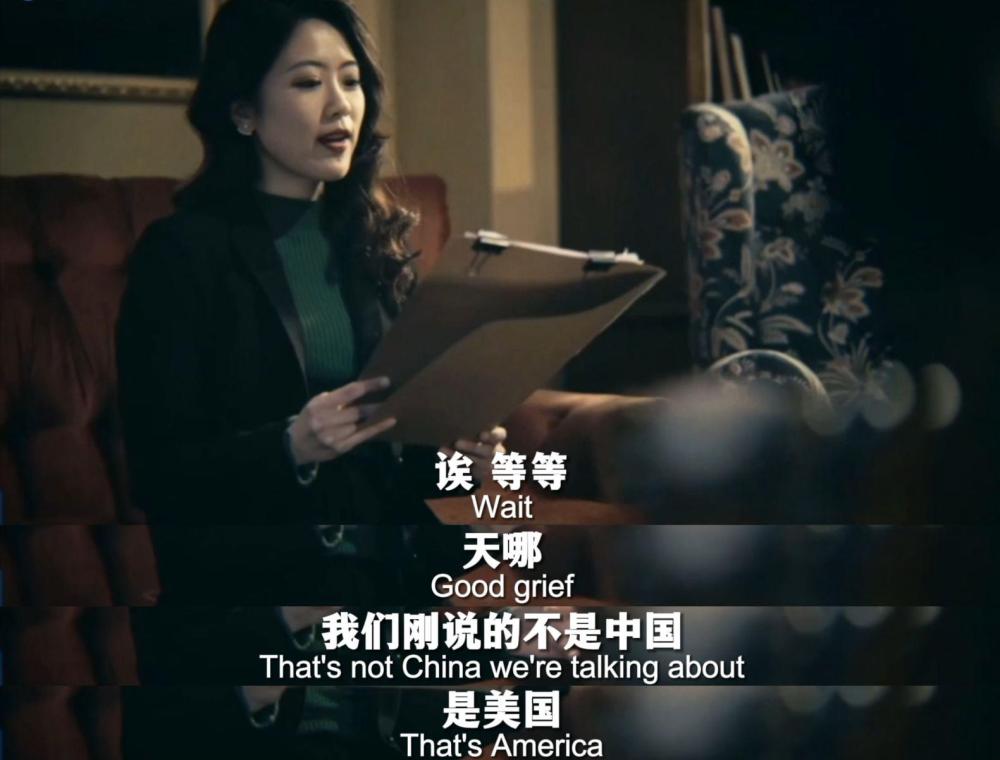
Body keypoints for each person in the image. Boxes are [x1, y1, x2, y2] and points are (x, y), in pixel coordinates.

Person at [116, 1, 503, 757]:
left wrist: (456, 455)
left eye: (351, 81)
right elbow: (161, 475)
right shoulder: (183, 255)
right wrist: (291, 445)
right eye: (306, 82)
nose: (339, 106)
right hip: (260, 631)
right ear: (243, 112)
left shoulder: (374, 246)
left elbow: (397, 475)